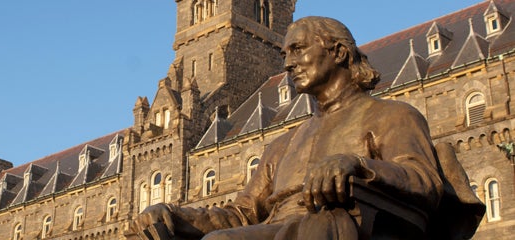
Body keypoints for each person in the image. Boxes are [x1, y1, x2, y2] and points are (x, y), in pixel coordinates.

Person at [130, 16, 483, 240]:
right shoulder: (283, 144)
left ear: (340, 53)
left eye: (298, 50)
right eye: (285, 54)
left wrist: (357, 165)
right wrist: (176, 216)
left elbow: (423, 179)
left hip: (343, 226)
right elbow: (241, 213)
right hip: (278, 231)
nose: (288, 63)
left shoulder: (391, 115)